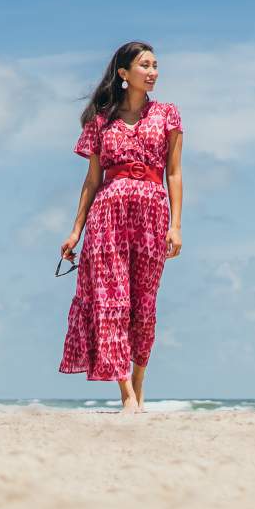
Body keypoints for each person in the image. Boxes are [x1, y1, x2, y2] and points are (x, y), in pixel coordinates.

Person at [58, 41, 184, 414]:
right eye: (145, 65)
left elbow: (174, 174)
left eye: (156, 65)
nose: (153, 72)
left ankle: (140, 385)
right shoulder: (100, 120)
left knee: (143, 307)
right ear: (124, 74)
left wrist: (176, 226)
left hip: (152, 212)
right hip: (107, 215)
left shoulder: (168, 115)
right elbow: (91, 179)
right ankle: (126, 394)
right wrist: (75, 231)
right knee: (113, 305)